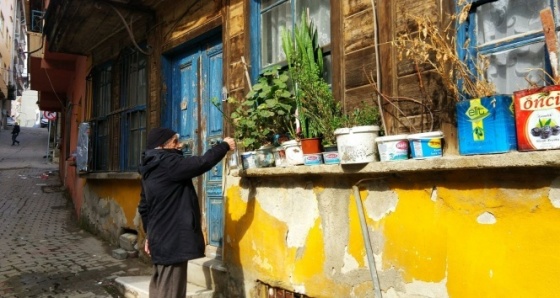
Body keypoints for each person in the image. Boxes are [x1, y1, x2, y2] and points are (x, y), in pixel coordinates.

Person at [138, 127, 235, 298]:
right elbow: (202, 163)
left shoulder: (149, 168)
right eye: (175, 141)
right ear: (162, 146)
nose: (180, 144)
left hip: (160, 238)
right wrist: (224, 146)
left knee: (161, 283)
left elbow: (144, 207)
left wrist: (150, 235)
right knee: (172, 288)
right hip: (172, 238)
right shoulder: (168, 163)